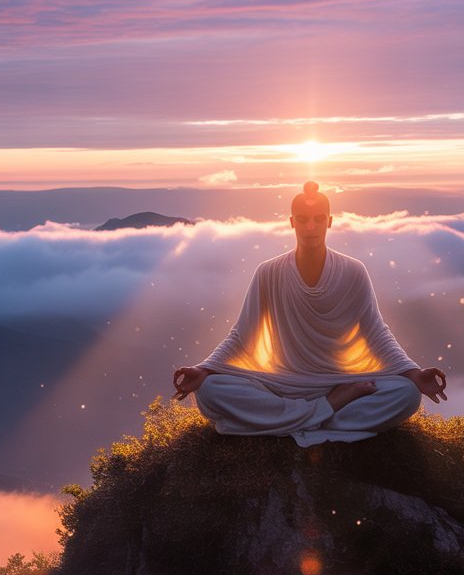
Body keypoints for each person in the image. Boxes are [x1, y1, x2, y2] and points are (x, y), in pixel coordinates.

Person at [172, 180, 446, 446]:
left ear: (330, 221)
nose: (311, 227)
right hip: (282, 384)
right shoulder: (269, 272)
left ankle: (289, 420)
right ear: (292, 222)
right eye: (302, 219)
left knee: (407, 395)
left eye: (318, 218)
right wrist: (204, 369)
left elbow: (375, 332)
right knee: (210, 391)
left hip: (341, 381)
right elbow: (242, 335)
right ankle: (328, 412)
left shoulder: (353, 271)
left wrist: (413, 374)